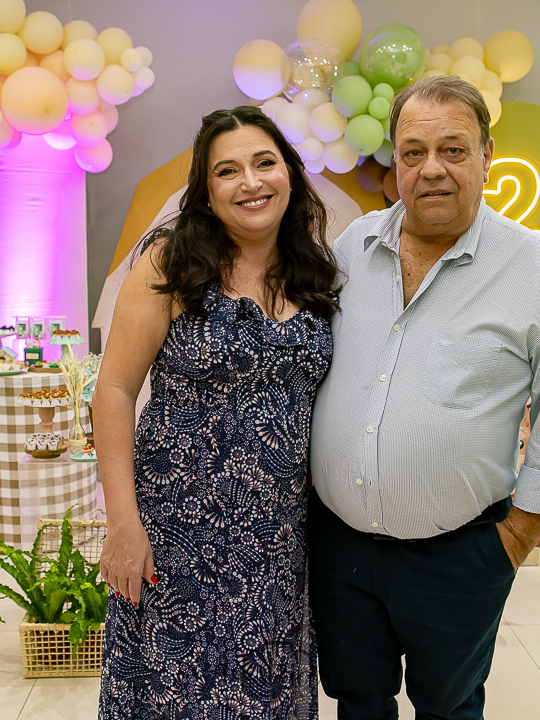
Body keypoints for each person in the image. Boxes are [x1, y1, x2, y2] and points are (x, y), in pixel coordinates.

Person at [309, 75, 540, 719]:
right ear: (395, 160)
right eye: (414, 152)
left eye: (453, 150)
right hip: (341, 550)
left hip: (460, 556)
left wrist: (516, 539)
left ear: (486, 154)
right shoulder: (353, 248)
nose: (432, 169)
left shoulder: (536, 267)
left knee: (449, 708)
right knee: (356, 701)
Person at [93, 105, 339, 720]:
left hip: (277, 539)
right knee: (171, 692)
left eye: (264, 163)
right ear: (206, 191)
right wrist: (122, 523)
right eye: (227, 171)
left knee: (264, 693)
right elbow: (114, 390)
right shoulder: (170, 263)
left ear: (290, 173)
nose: (250, 182)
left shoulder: (315, 271)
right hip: (174, 532)